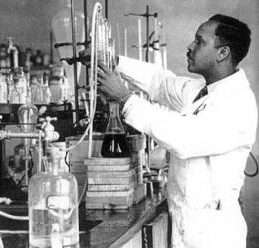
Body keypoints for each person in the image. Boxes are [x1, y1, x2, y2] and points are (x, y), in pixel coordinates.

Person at [82, 14, 258, 248]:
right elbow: (160, 83)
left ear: (222, 53)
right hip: (189, 226)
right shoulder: (203, 91)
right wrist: (113, 61)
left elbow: (183, 138)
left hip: (214, 235)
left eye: (199, 41)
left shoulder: (237, 104)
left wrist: (124, 98)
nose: (190, 46)